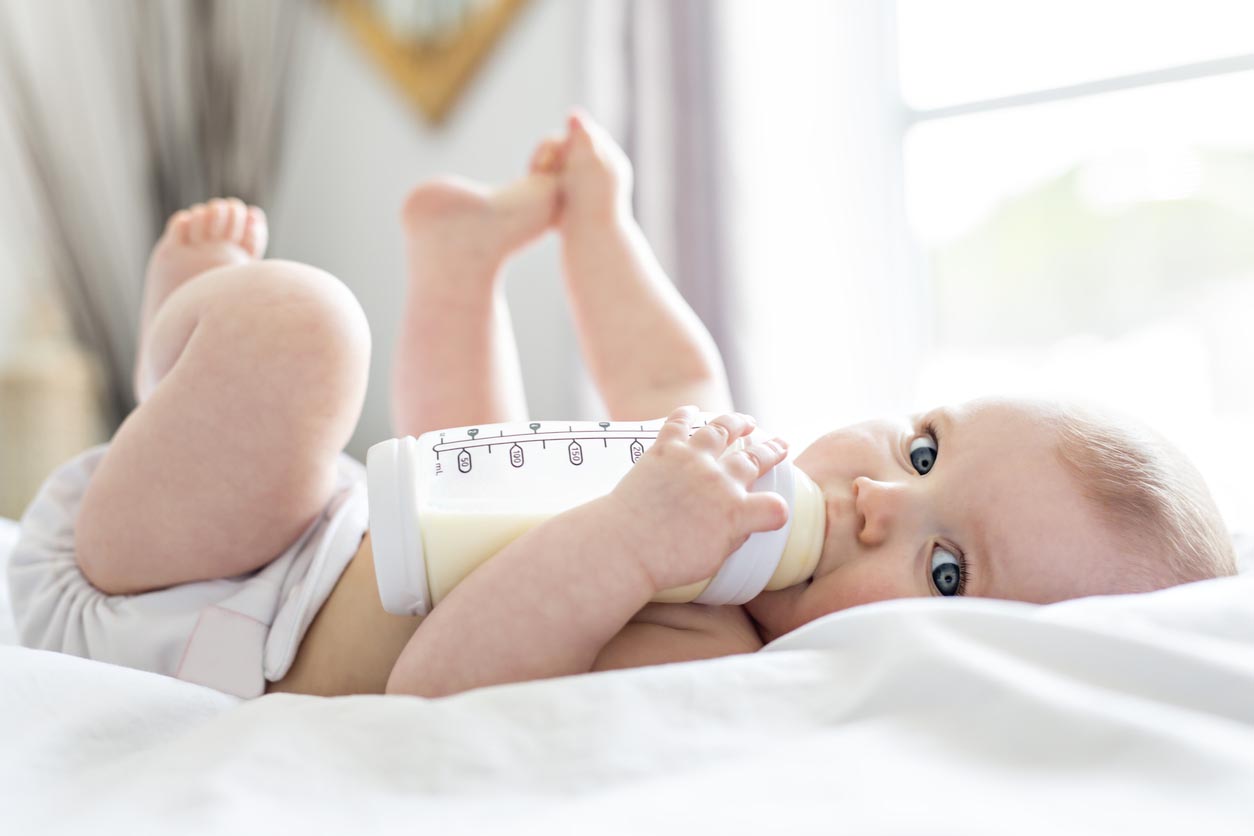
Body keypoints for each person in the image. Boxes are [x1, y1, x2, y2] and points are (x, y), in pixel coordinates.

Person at [7, 112, 1237, 700]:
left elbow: (435, 681)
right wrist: (601, 223)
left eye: (949, 565)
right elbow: (665, 378)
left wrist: (628, 539)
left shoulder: (702, 653)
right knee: (480, 455)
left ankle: (199, 338)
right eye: (921, 449)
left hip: (168, 616)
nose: (874, 499)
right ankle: (437, 273)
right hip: (292, 528)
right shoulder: (733, 492)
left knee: (305, 334)